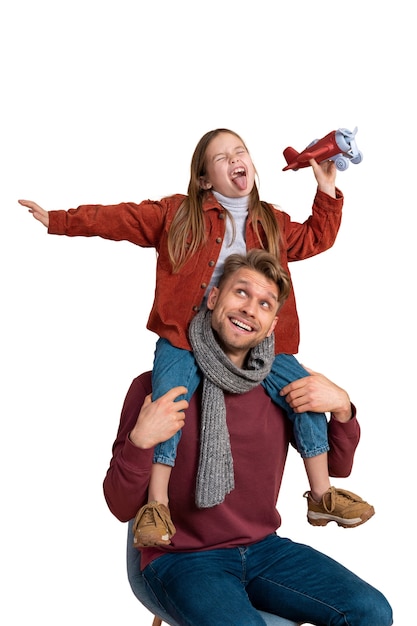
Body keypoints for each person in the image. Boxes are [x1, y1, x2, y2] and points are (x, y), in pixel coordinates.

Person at [18, 128, 373, 547]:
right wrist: (59, 220)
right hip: (185, 336)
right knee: (170, 401)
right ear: (205, 179)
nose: (234, 158)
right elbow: (121, 218)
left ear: (253, 167)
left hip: (259, 346)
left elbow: (316, 237)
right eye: (221, 157)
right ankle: (157, 507)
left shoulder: (271, 222)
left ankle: (321, 495)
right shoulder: (177, 214)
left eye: (240, 151)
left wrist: (326, 190)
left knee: (305, 394)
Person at [103, 250, 392, 626]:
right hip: (180, 559)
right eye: (241, 293)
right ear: (213, 298)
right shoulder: (157, 388)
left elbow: (339, 466)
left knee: (371, 611)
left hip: (264, 550)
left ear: (272, 325)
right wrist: (140, 441)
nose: (249, 309)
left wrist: (343, 409)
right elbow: (120, 506)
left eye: (264, 303)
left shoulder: (282, 388)